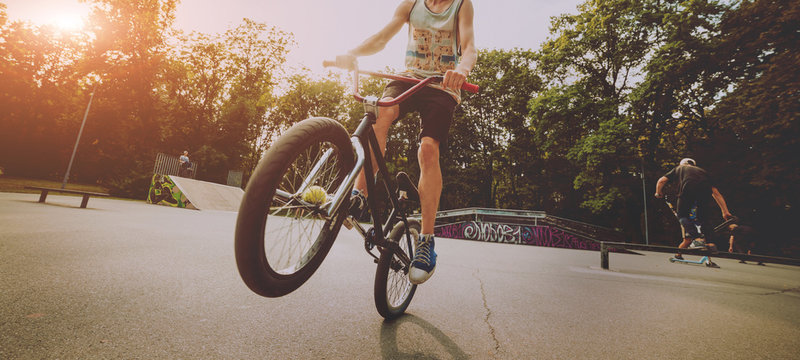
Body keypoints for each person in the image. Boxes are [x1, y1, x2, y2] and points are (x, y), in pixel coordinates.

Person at [333, 0, 477, 284]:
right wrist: (352, 53)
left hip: (443, 85)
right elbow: (383, 37)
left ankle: (426, 241)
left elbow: (470, 45)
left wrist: (463, 69)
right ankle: (358, 196)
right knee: (381, 111)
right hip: (408, 78)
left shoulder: (462, 4)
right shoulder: (411, 3)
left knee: (428, 149)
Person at [655, 158, 734, 262]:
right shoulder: (703, 172)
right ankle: (711, 243)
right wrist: (725, 211)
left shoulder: (680, 168)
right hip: (704, 193)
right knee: (703, 218)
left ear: (682, 164)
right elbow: (716, 193)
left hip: (688, 190)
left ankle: (697, 239)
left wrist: (658, 192)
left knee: (682, 216)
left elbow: (662, 180)